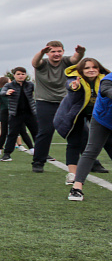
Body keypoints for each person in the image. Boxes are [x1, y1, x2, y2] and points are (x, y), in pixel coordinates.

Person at [32, 41, 85, 173]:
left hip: (66, 101)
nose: (56, 54)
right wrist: (41, 53)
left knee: (81, 131)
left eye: (59, 51)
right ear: (48, 53)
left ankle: (92, 162)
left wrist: (80, 52)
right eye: (53, 52)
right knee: (45, 132)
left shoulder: (66, 61)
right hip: (45, 101)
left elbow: (75, 59)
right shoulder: (42, 63)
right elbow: (35, 63)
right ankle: (38, 162)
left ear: (63, 51)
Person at [55, 58, 109, 187]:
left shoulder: (105, 79)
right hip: (74, 114)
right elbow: (71, 86)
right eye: (87, 68)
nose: (91, 70)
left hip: (97, 114)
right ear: (81, 70)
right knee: (74, 141)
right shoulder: (74, 79)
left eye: (94, 67)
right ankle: (72, 174)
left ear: (99, 68)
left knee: (109, 141)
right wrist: (75, 86)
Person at [68, 67, 112, 201]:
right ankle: (76, 188)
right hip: (103, 119)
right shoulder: (108, 79)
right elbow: (106, 90)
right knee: (92, 150)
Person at [1, 68, 39, 165]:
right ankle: (7, 154)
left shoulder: (30, 84)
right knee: (12, 134)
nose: (21, 76)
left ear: (25, 75)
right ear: (14, 75)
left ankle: (42, 153)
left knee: (37, 133)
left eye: (23, 74)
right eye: (18, 74)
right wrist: (7, 92)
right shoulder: (9, 85)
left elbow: (40, 90)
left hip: (30, 113)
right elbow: (2, 91)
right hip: (16, 114)